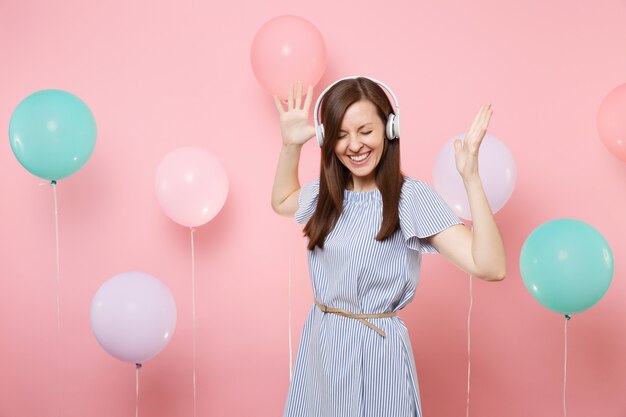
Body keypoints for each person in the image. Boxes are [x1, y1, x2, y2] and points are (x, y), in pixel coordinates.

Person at [271, 77, 506, 417]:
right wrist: (290, 147)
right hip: (322, 347)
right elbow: (282, 201)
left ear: (389, 128)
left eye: (365, 131)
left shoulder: (411, 198)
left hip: (377, 353)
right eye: (340, 134)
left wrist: (470, 177)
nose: (354, 145)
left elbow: (490, 267)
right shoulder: (327, 195)